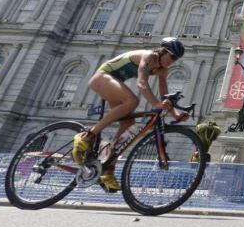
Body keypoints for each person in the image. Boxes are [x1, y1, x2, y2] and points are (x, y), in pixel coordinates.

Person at [71, 37, 189, 191]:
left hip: (115, 83)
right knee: (132, 101)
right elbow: (142, 83)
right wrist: (155, 104)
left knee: (129, 127)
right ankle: (87, 136)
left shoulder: (162, 70)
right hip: (103, 77)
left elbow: (164, 96)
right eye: (172, 56)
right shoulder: (148, 56)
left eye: (176, 59)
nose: (173, 61)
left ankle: (106, 167)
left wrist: (175, 113)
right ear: (163, 51)